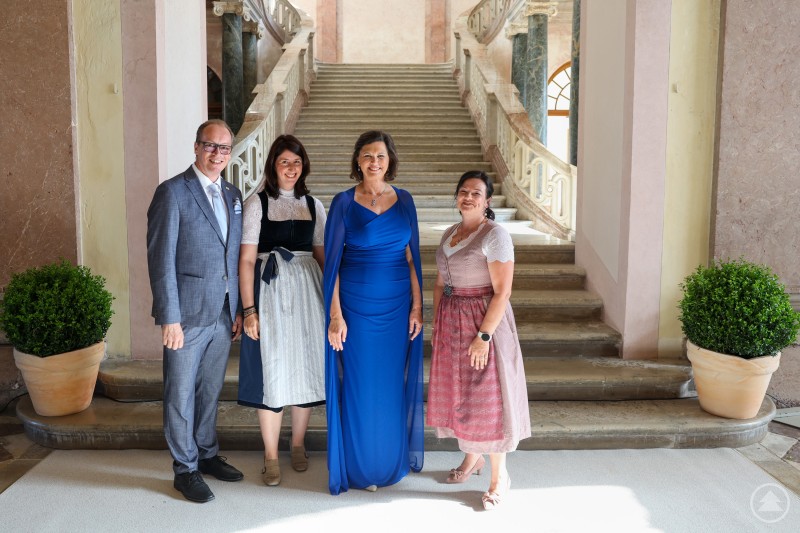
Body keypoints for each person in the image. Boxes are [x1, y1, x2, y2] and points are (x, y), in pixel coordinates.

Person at [146, 119, 244, 503]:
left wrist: (237, 308)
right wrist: (169, 317)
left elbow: (232, 256)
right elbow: (160, 260)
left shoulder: (233, 194)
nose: (216, 154)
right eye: (210, 145)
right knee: (180, 393)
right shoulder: (172, 192)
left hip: (222, 312)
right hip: (185, 315)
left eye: (223, 148)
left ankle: (205, 454)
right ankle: (184, 469)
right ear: (195, 146)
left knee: (210, 390)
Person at [323, 130, 424, 495]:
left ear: (390, 160)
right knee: (360, 385)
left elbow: (412, 257)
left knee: (390, 384)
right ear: (357, 161)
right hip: (355, 307)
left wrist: (417, 305)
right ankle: (359, 466)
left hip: (397, 308)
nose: (374, 162)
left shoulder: (406, 200)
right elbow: (332, 265)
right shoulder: (343, 203)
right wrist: (336, 315)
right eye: (367, 155)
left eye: (380, 156)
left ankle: (390, 462)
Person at [426, 170, 531, 511]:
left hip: (483, 321)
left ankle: (500, 478)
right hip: (452, 322)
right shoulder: (450, 233)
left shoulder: (495, 235)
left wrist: (483, 336)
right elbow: (441, 284)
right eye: (463, 192)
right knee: (461, 392)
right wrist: (437, 323)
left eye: (476, 193)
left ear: (487, 201)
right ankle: (472, 458)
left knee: (488, 397)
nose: (468, 197)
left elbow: (503, 291)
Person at [237, 135, 326, 486]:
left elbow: (321, 256)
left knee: (304, 366)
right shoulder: (257, 204)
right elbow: (246, 260)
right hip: (269, 290)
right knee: (272, 369)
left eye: (297, 162)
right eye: (284, 161)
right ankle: (271, 454)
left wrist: (335, 300)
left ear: (304, 166)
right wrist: (249, 310)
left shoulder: (314, 205)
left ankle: (298, 443)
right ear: (273, 165)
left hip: (308, 292)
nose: (291, 168)